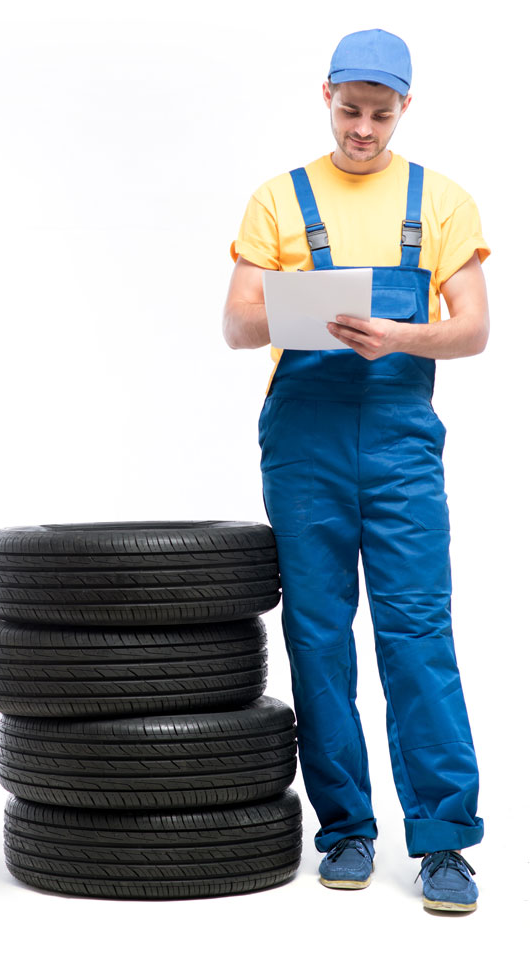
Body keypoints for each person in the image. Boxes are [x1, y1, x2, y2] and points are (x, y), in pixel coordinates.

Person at [222, 28, 490, 913]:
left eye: (381, 113)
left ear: (404, 108)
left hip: (402, 446)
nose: (363, 129)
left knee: (418, 636)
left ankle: (445, 842)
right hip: (304, 445)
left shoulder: (440, 201)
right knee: (319, 637)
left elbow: (474, 328)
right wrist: (298, 312)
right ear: (326, 94)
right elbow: (236, 324)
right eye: (350, 110)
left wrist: (399, 336)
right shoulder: (279, 199)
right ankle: (345, 830)